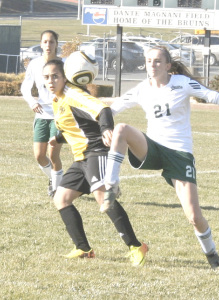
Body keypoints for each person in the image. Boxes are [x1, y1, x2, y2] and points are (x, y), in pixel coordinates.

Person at [103, 46, 219, 269]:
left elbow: (216, 97)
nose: (153, 64)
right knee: (120, 129)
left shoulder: (181, 83)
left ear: (168, 66)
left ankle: (213, 256)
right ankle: (111, 186)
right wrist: (105, 128)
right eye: (149, 60)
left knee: (194, 217)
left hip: (179, 155)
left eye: (158, 61)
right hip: (152, 148)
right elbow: (109, 110)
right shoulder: (142, 89)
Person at [42, 59, 148, 266]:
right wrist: (59, 138)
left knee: (102, 198)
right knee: (61, 199)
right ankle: (83, 248)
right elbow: (79, 126)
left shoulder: (72, 94)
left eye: (55, 76)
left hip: (97, 151)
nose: (51, 81)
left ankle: (136, 246)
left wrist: (106, 128)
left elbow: (102, 110)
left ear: (65, 77)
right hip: (81, 156)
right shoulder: (58, 99)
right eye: (47, 77)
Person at [21, 30, 63, 197]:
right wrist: (32, 101)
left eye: (51, 42)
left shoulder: (64, 64)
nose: (48, 45)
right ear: (40, 44)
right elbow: (25, 86)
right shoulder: (35, 64)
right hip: (41, 114)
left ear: (56, 44)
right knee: (39, 156)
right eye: (45, 42)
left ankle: (57, 190)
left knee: (53, 154)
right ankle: (56, 180)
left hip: (58, 116)